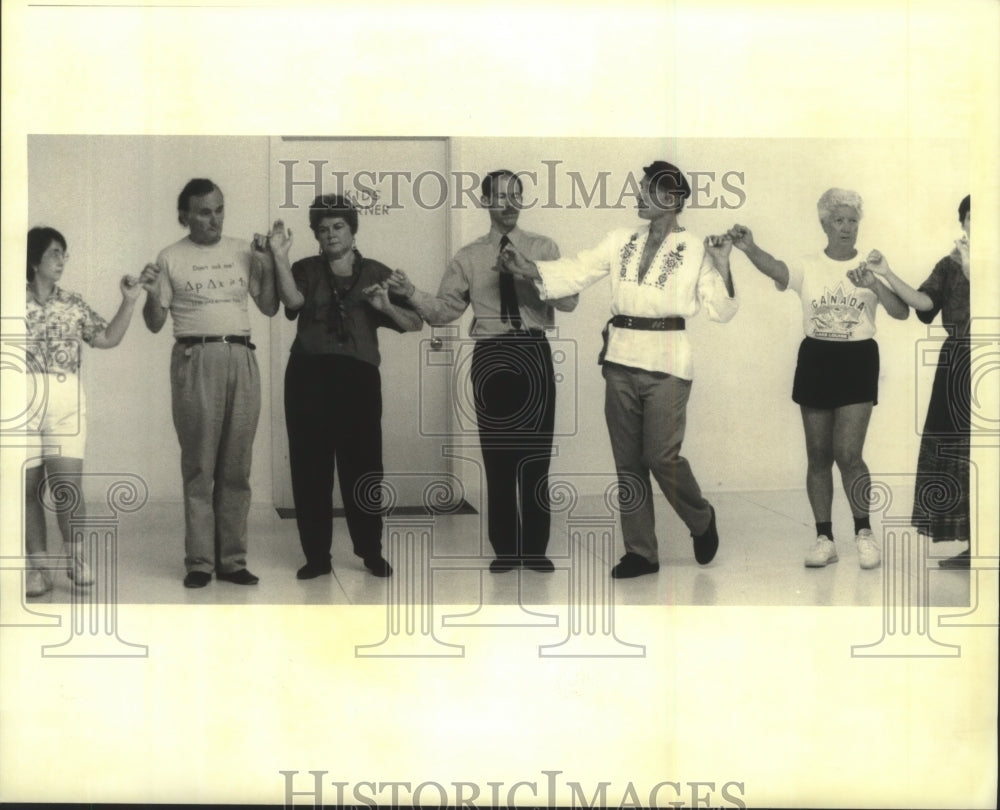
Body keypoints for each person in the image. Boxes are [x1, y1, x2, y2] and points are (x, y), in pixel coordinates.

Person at [501, 160, 737, 578]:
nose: (637, 196)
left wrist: (722, 264)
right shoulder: (619, 239)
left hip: (668, 362)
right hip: (620, 361)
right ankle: (641, 553)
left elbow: (721, 310)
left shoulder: (698, 249)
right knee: (628, 462)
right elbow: (580, 268)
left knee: (661, 456)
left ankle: (701, 518)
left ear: (671, 199)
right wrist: (528, 269)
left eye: (645, 189)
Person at [388, 169, 578, 573]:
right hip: (492, 355)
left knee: (536, 455)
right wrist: (411, 295)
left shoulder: (543, 247)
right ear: (485, 202)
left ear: (523, 200)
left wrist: (528, 269)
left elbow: (570, 301)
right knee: (498, 453)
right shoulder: (469, 257)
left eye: (515, 196)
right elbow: (445, 311)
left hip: (533, 352)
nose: (507, 204)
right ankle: (506, 549)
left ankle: (535, 548)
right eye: (498, 197)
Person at [728, 188, 909, 570]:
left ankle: (864, 533)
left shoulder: (871, 265)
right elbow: (776, 267)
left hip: (858, 359)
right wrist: (749, 248)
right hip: (816, 358)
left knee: (849, 453)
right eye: (839, 220)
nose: (846, 227)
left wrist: (875, 285)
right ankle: (824, 538)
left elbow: (901, 312)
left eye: (852, 221)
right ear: (825, 224)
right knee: (818, 455)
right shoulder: (809, 265)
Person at [270, 195, 421, 580]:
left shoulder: (376, 272)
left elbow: (414, 322)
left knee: (364, 467)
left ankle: (370, 550)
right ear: (315, 236)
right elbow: (292, 300)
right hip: (308, 375)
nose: (330, 234)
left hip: (358, 378)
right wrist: (280, 258)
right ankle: (317, 556)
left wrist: (385, 305)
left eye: (337, 226)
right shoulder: (305, 268)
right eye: (322, 229)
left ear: (353, 229)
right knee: (310, 468)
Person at [139, 178, 278, 588]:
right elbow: (154, 323)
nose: (213, 219)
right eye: (203, 211)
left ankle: (232, 561)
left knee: (237, 465)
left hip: (241, 356)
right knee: (200, 464)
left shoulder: (242, 251)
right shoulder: (170, 257)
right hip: (194, 358)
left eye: (218, 209)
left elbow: (269, 306)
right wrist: (150, 294)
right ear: (184, 216)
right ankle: (200, 561)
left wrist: (267, 264)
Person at [24, 226, 142, 597]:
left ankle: (75, 559)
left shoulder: (72, 304)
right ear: (34, 259)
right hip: (18, 399)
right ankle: (39, 569)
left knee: (67, 487)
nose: (61, 261)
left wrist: (128, 301)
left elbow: (106, 337)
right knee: (25, 487)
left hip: (65, 399)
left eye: (64, 254)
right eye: (55, 253)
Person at [862, 195, 972, 568]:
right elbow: (925, 304)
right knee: (958, 452)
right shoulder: (949, 264)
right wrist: (887, 273)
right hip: (958, 363)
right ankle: (976, 545)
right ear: (963, 223)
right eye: (973, 217)